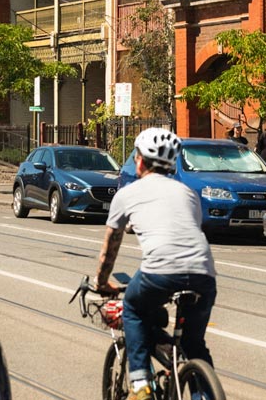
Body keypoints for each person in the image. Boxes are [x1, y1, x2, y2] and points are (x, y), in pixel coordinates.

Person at [93, 128, 217, 400]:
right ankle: (204, 395)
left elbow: (109, 249)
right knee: (193, 343)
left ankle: (140, 385)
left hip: (160, 271)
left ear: (139, 160)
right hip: (204, 273)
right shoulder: (188, 193)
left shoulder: (127, 194)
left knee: (133, 308)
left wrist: (101, 282)